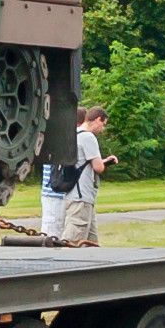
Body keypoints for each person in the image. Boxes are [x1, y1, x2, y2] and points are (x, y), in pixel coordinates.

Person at [63, 103, 109, 246]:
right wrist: (106, 163)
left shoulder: (73, 134)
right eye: (103, 124)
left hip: (73, 192)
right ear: (97, 119)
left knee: (91, 239)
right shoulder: (88, 137)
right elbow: (98, 167)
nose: (103, 129)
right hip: (82, 194)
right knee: (74, 236)